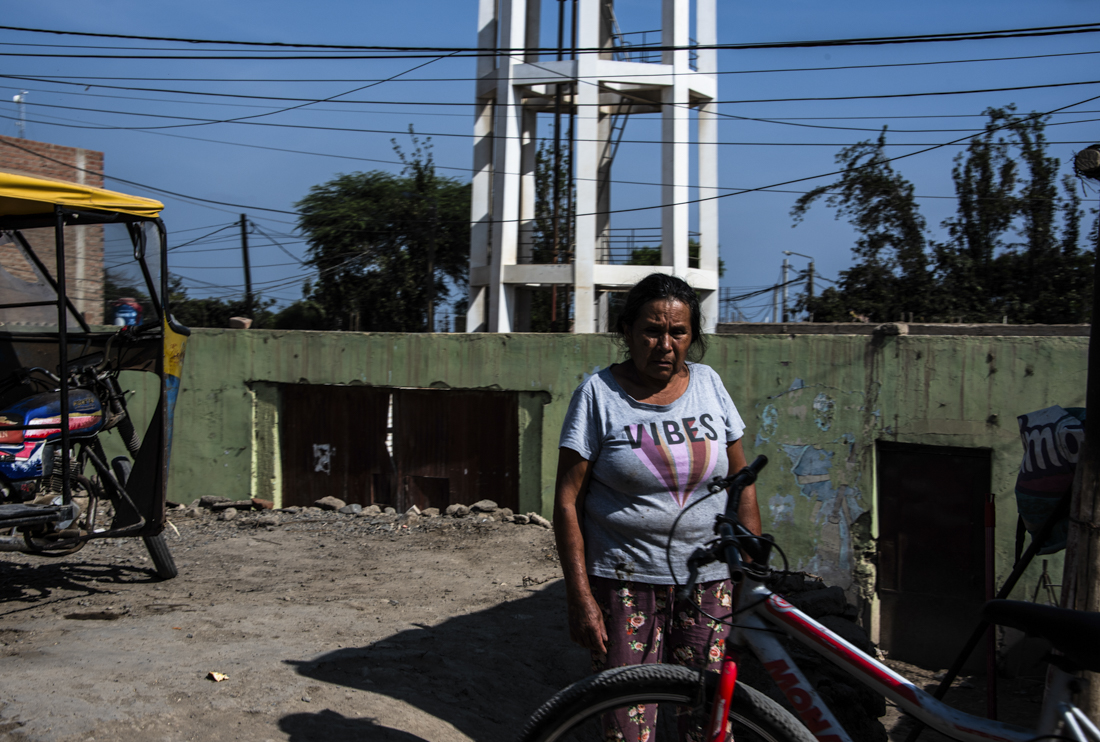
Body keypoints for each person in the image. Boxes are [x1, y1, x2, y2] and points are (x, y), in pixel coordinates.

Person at [554, 273, 761, 736]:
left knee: (707, 723)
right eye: (652, 330)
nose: (665, 344)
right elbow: (567, 503)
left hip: (708, 586)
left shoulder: (710, 385)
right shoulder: (598, 396)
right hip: (625, 586)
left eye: (678, 332)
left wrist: (749, 571)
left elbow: (742, 482)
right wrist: (580, 596)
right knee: (627, 725)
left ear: (692, 336)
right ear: (627, 331)